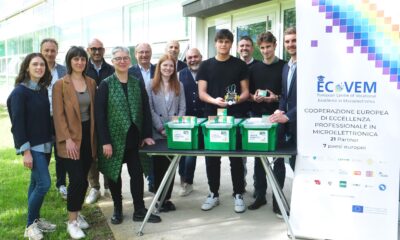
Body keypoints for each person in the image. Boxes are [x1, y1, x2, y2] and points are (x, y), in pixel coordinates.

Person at [96, 46, 161, 225]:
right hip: (114, 140)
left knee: (137, 173)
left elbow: (145, 109)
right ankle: (118, 209)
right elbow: (100, 116)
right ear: (113, 61)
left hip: (135, 138)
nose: (122, 61)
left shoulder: (136, 81)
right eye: (118, 58)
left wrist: (147, 134)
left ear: (130, 61)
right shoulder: (106, 84)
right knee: (114, 176)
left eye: (125, 58)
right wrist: (105, 142)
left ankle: (139, 209)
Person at [197, 29, 249, 213]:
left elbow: (245, 92)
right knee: (212, 157)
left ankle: (238, 194)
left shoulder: (239, 65)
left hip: (235, 116)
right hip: (212, 116)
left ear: (231, 44)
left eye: (227, 41)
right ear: (215, 43)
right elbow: (202, 93)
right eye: (220, 41)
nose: (223, 44)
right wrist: (215, 101)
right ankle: (213, 194)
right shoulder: (205, 65)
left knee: (235, 157)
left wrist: (234, 100)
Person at [7, 53, 56, 240]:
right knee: (44, 183)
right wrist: (25, 151)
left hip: (45, 145)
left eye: (42, 64)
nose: (39, 67)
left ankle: (35, 220)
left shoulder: (41, 89)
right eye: (34, 64)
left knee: (35, 183)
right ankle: (30, 225)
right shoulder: (19, 93)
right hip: (32, 147)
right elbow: (17, 124)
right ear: (27, 67)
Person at [52, 46, 97, 239]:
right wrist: (67, 139)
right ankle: (71, 222)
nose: (79, 62)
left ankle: (77, 215)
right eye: (75, 59)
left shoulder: (91, 82)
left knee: (84, 180)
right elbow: (58, 116)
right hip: (70, 138)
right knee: (77, 179)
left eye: (82, 59)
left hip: (89, 137)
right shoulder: (61, 85)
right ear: (69, 61)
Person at [246, 32, 286, 214]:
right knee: (259, 160)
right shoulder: (254, 69)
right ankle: (260, 195)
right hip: (258, 119)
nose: (265, 51)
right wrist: (255, 97)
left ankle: (278, 200)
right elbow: (250, 94)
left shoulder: (285, 67)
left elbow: (288, 95)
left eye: (268, 47)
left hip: (278, 118)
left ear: (275, 45)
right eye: (262, 48)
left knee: (278, 161)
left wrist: (275, 98)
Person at [147, 53, 186, 211]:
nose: (168, 68)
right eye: (165, 65)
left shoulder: (179, 85)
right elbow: (149, 109)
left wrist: (174, 127)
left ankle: (166, 199)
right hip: (158, 131)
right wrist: (161, 127)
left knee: (171, 166)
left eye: (171, 66)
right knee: (159, 166)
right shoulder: (151, 84)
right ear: (159, 67)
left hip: (174, 132)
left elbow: (182, 107)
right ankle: (158, 199)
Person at [270, 27, 297, 217]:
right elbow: (284, 95)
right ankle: (278, 204)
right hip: (283, 122)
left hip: (299, 124)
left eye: (294, 40)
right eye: (287, 41)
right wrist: (280, 108)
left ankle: (305, 204)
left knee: (298, 166)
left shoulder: (310, 65)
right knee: (277, 163)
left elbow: (311, 98)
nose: (290, 44)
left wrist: (289, 115)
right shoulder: (287, 66)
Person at [84, 38, 115, 204]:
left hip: (107, 117)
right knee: (92, 154)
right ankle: (94, 187)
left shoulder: (111, 69)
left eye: (99, 49)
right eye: (93, 49)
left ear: (104, 50)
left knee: (108, 151)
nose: (96, 52)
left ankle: (109, 186)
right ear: (88, 50)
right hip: (88, 118)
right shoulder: (83, 68)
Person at [40, 38, 68, 200]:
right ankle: (41, 184)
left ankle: (61, 184)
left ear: (57, 52)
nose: (50, 53)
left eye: (53, 50)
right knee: (43, 154)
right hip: (42, 121)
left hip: (59, 119)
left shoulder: (63, 70)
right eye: (47, 50)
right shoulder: (36, 68)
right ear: (41, 51)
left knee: (61, 153)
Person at [128, 42, 156, 193]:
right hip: (138, 117)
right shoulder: (129, 71)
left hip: (157, 117)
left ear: (151, 53)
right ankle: (148, 179)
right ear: (135, 54)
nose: (144, 55)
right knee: (142, 153)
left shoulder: (158, 69)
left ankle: (154, 181)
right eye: (141, 52)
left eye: (147, 52)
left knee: (156, 151)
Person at [177, 48, 204, 197]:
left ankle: (214, 188)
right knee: (187, 153)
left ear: (201, 57)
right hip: (187, 119)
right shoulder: (179, 75)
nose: (192, 60)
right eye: (189, 58)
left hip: (206, 118)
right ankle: (186, 182)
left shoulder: (208, 72)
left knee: (211, 154)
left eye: (195, 57)